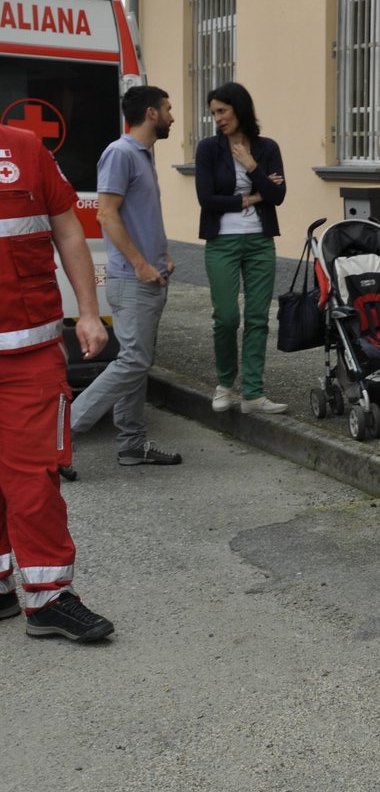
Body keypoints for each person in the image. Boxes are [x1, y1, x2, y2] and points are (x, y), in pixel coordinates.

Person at [0, 123, 114, 641]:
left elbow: (69, 229)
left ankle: (48, 597)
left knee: (33, 478)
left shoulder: (26, 148)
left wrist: (88, 313)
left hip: (28, 352)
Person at [69, 85, 181, 467]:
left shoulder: (143, 155)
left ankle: (132, 444)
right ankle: (63, 433)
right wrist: (140, 264)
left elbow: (140, 216)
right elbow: (106, 215)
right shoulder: (120, 153)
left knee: (139, 361)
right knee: (132, 361)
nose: (172, 116)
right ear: (151, 113)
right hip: (133, 280)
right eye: (167, 109)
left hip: (149, 279)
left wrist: (161, 255)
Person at [194, 81, 288, 414]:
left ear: (239, 108)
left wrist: (251, 165)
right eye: (214, 113)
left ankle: (252, 393)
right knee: (226, 317)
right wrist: (251, 196)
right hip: (222, 242)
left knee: (259, 318)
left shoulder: (266, 148)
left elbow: (278, 196)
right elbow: (206, 199)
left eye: (222, 110)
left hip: (261, 241)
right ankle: (224, 384)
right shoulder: (208, 149)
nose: (218, 118)